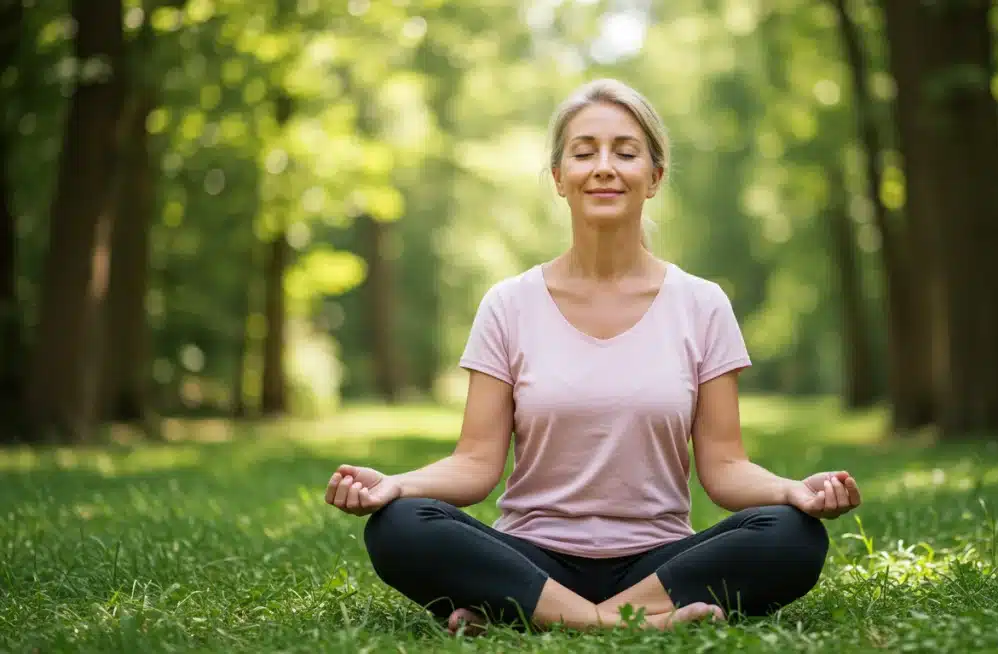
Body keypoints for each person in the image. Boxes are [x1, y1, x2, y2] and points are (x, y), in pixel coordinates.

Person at [324, 78, 862, 634]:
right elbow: (475, 465)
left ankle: (527, 616)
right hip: (531, 559)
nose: (604, 167)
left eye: (625, 153)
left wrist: (791, 492)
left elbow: (724, 468)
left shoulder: (702, 304)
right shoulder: (508, 304)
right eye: (584, 153)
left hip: (660, 563)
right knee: (400, 525)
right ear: (559, 178)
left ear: (654, 177)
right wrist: (396, 485)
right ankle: (624, 624)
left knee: (793, 534)